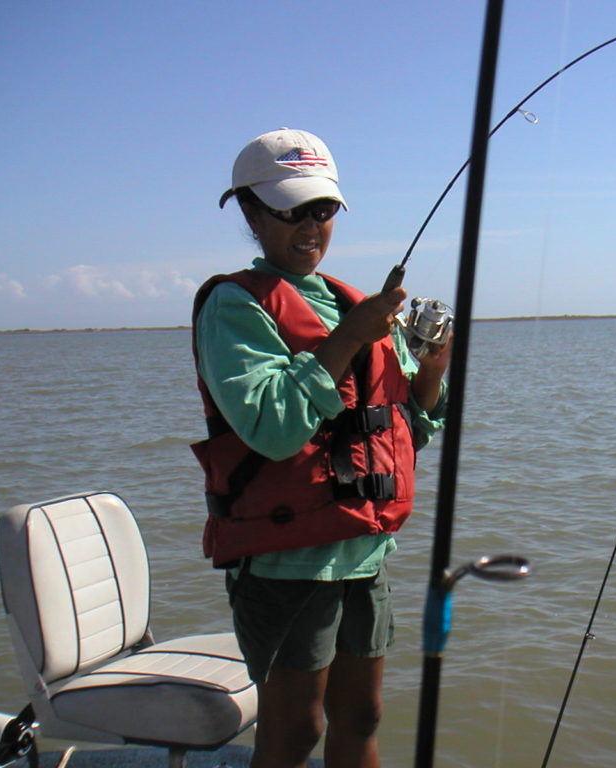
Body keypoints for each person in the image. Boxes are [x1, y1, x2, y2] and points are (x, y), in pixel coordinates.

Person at [191, 128, 450, 768]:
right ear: (250, 212)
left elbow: (401, 436)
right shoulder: (234, 306)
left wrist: (434, 371)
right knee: (294, 729)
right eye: (290, 210)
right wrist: (349, 342)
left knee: (362, 715)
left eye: (323, 209)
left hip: (362, 552)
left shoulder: (347, 303)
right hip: (285, 564)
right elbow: (274, 427)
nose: (310, 226)